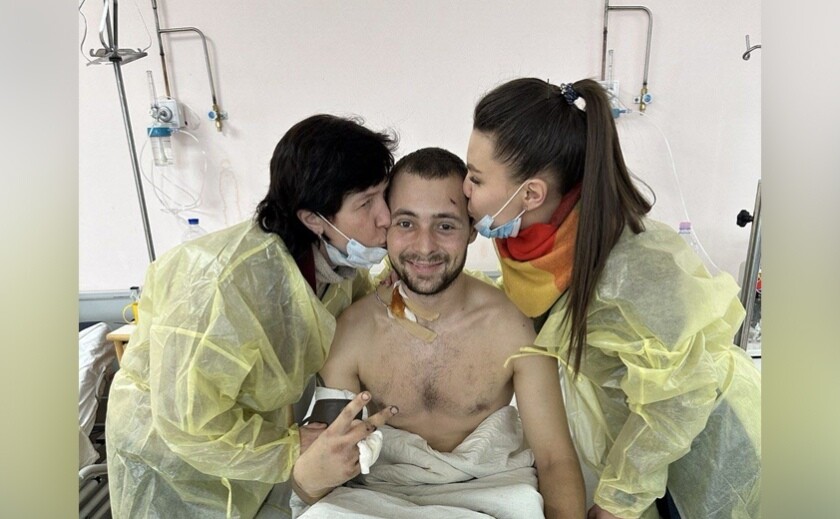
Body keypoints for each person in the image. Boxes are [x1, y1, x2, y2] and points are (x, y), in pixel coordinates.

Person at [462, 77, 761, 519]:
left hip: (710, 448)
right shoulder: (542, 242)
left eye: (475, 177)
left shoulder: (632, 264)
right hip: (643, 443)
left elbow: (681, 393)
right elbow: (526, 305)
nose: (464, 189)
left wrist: (620, 499)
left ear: (531, 194)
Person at [106, 114, 400, 518]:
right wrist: (291, 447)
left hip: (247, 448)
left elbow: (362, 315)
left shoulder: (334, 269)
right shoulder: (222, 285)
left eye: (383, 194)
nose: (385, 217)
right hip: (169, 464)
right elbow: (187, 421)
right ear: (312, 218)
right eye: (366, 203)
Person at [292, 147, 585, 519]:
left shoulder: (514, 327)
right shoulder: (352, 331)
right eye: (406, 223)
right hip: (378, 499)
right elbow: (315, 477)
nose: (424, 246)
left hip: (492, 492)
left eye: (445, 226)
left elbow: (555, 459)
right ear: (385, 226)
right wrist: (311, 475)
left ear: (472, 229)